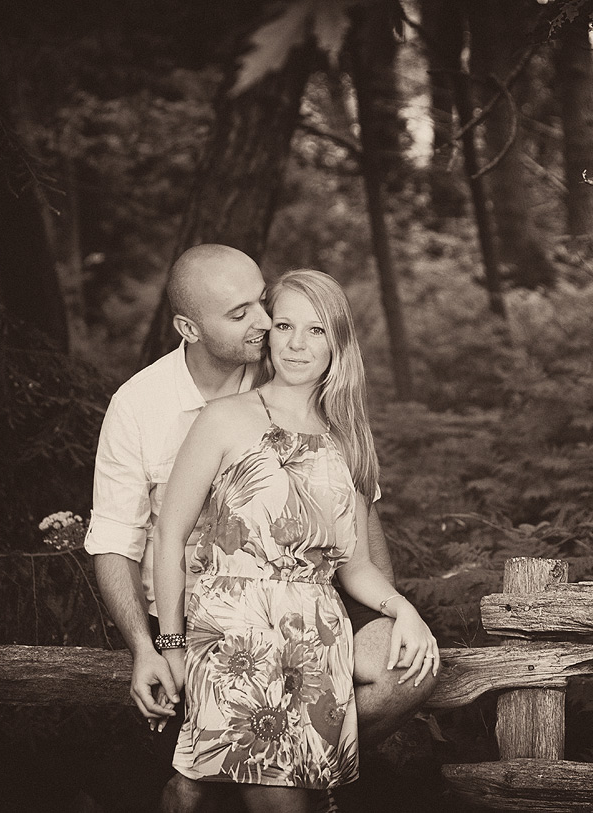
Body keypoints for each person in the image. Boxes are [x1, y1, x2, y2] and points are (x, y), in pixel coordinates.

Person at [84, 247, 435, 811]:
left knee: (410, 669)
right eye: (246, 314)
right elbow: (129, 540)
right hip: (217, 615)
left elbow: (357, 547)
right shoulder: (153, 408)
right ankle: (233, 767)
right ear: (189, 328)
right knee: (274, 794)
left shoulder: (332, 419)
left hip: (311, 610)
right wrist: (158, 645)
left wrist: (398, 609)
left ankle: (245, 764)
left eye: (265, 305)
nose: (274, 328)